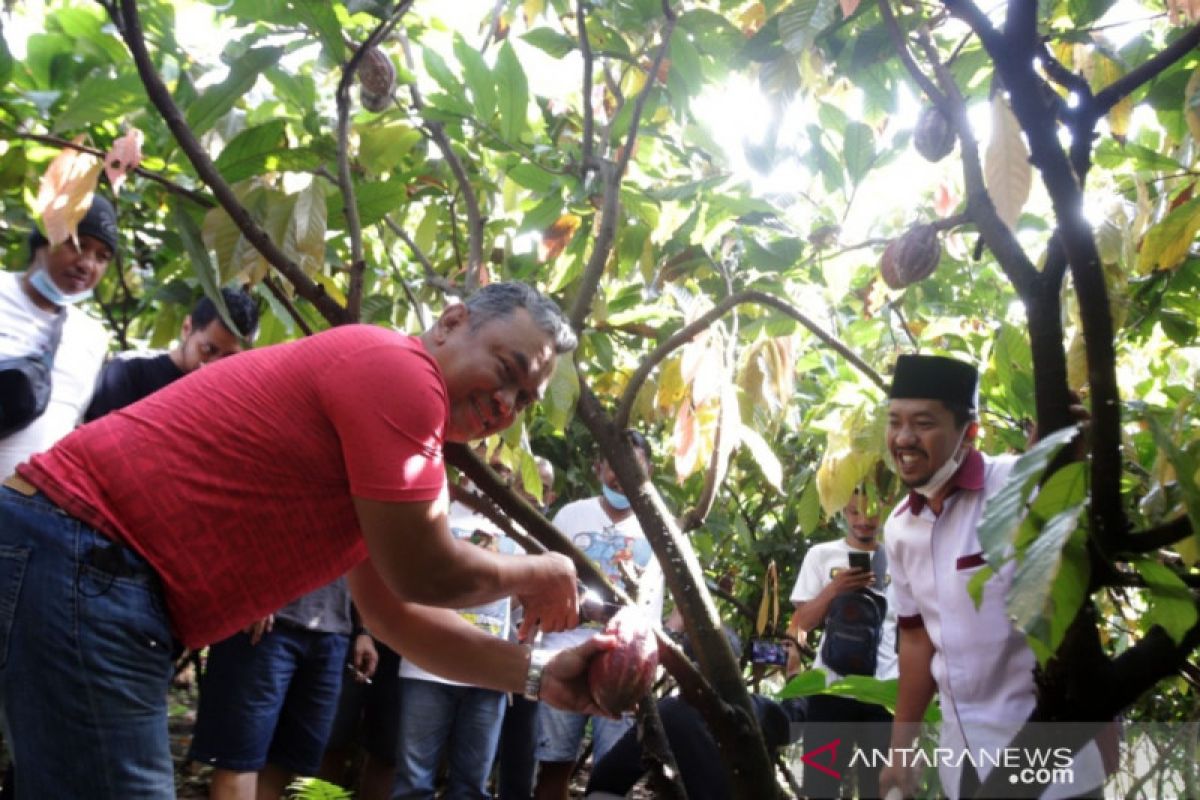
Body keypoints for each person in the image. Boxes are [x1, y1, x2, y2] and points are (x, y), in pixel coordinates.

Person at [0, 282, 610, 799]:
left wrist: (540, 677)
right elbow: (425, 572)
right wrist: (542, 570)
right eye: (508, 372)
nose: (506, 405)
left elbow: (396, 615)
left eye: (525, 400)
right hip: (83, 554)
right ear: (452, 323)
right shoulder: (403, 372)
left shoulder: (402, 447)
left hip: (73, 561)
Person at [878, 354, 1105, 799]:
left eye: (923, 423)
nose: (903, 438)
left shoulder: (1016, 485)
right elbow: (917, 640)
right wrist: (900, 751)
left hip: (1050, 757)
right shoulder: (900, 528)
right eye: (894, 422)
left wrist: (1058, 460)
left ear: (970, 433)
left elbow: (1073, 555)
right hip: (962, 761)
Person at [534, 431, 664, 800]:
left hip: (629, 663)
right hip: (565, 652)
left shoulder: (658, 527)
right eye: (612, 465)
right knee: (554, 764)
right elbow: (543, 578)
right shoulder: (572, 516)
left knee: (612, 773)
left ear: (648, 471)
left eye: (632, 466)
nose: (620, 475)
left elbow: (679, 604)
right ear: (598, 468)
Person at [391, 480, 524, 800]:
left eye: (503, 468)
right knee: (413, 782)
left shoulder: (514, 525)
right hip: (426, 666)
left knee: (471, 787)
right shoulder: (434, 511)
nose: (496, 475)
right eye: (487, 465)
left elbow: (519, 600)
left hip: (487, 673)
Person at [188, 578, 371, 800]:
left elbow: (361, 558)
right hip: (263, 622)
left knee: (283, 759)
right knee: (238, 757)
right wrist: (254, 591)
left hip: (332, 628)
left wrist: (363, 630)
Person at [789, 489, 896, 799]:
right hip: (830, 689)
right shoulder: (821, 555)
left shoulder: (901, 557)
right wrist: (834, 589)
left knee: (879, 790)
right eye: (853, 512)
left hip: (883, 690)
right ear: (841, 511)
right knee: (820, 788)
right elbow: (802, 624)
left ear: (886, 505)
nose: (863, 521)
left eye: (872, 512)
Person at [0, 194, 115, 477]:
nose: (87, 264)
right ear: (44, 238)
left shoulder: (92, 337)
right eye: (77, 244)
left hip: (24, 511)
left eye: (102, 257)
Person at [83, 287, 259, 420]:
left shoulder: (229, 402)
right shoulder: (130, 370)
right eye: (207, 350)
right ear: (187, 328)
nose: (213, 366)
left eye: (228, 358)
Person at [496, 455, 557, 800]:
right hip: (486, 655)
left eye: (544, 488)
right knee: (477, 751)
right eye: (528, 483)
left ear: (551, 496)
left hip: (531, 660)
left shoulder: (549, 541)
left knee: (522, 750)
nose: (535, 493)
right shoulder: (491, 527)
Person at [319, 628, 401, 800]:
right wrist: (363, 631)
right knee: (330, 740)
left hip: (403, 647)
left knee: (388, 749)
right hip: (347, 632)